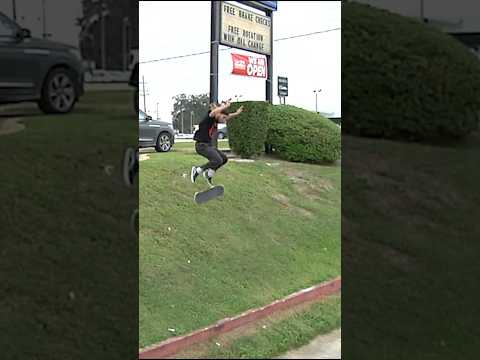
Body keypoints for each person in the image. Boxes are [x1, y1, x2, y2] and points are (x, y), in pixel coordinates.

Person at [191, 100, 244, 186]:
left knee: (224, 159)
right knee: (217, 160)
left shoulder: (216, 120)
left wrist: (236, 113)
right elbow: (215, 111)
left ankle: (208, 174)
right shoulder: (210, 117)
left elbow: (228, 116)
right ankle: (197, 170)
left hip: (208, 146)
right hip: (201, 146)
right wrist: (226, 106)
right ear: (218, 114)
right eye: (223, 118)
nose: (224, 121)